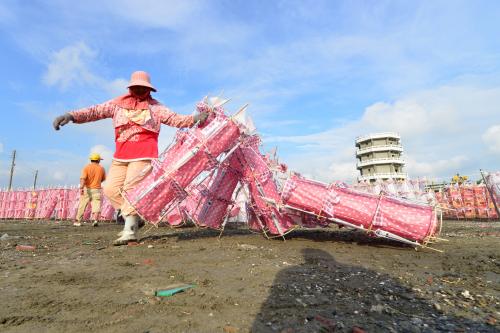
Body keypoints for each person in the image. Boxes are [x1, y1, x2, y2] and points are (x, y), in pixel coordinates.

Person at [53, 70, 209, 245]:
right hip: (121, 155)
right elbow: (94, 111)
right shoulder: (117, 104)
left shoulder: (155, 108)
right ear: (131, 87)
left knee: (130, 190)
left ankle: (130, 231)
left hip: (144, 154)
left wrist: (195, 118)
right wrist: (70, 116)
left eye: (144, 87)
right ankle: (135, 216)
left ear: (149, 89)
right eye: (137, 87)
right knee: (110, 189)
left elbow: (175, 119)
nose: (140, 90)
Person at [75, 153, 106, 227]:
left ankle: (78, 221)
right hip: (97, 189)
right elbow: (103, 179)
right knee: (96, 204)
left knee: (83, 205)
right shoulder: (101, 168)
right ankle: (95, 220)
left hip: (87, 189)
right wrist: (97, 182)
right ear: (98, 160)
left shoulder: (86, 167)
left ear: (91, 160)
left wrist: (82, 188)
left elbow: (83, 178)